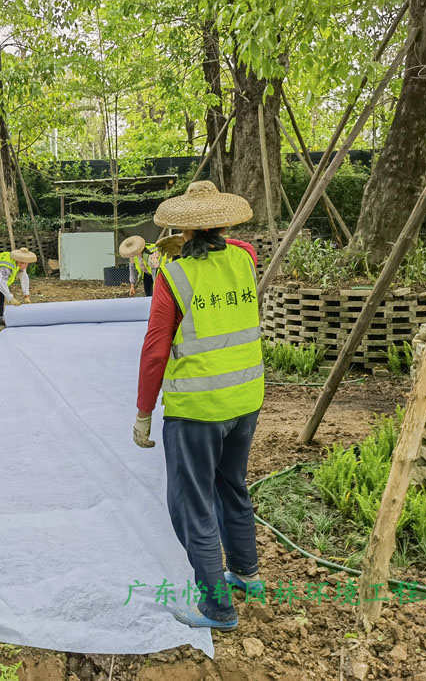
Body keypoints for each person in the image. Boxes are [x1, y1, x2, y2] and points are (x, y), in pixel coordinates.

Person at [132, 180, 264, 632]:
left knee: (193, 503)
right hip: (246, 398)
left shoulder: (174, 276)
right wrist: (194, 240)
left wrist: (144, 411)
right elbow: (234, 245)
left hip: (198, 409)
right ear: (224, 223)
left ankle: (217, 607)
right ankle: (246, 572)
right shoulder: (245, 258)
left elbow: (155, 350)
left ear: (182, 231)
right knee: (232, 485)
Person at [0, 247, 37, 326]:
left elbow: (24, 277)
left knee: (1, 294)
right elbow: (2, 284)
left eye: (26, 264)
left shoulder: (21, 262)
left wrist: (26, 295)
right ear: (17, 261)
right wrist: (10, 298)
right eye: (23, 263)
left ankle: (0, 317)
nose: (24, 266)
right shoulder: (6, 266)